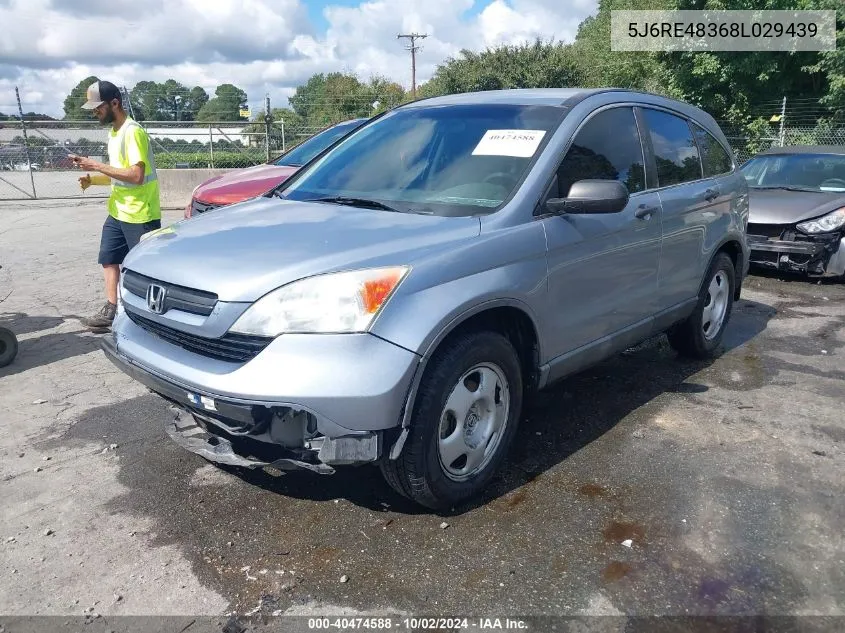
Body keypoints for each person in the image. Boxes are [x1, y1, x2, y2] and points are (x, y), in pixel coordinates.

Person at [70, 80, 162, 332]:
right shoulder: (114, 132)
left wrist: (96, 165)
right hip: (118, 211)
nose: (95, 112)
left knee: (144, 270)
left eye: (98, 107)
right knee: (109, 260)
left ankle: (151, 318)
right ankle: (112, 309)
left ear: (114, 103)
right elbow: (119, 174)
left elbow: (136, 176)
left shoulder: (132, 131)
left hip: (140, 213)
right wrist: (93, 179)